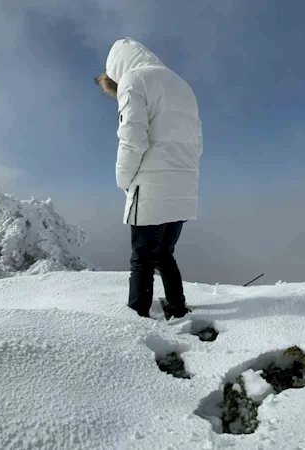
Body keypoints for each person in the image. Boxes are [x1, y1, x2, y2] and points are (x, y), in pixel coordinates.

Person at [96, 38, 202, 319]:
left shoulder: (134, 80)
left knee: (141, 258)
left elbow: (131, 138)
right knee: (164, 254)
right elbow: (197, 144)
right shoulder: (183, 86)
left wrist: (124, 180)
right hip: (184, 185)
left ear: (116, 66)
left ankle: (138, 315)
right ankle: (177, 308)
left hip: (150, 185)